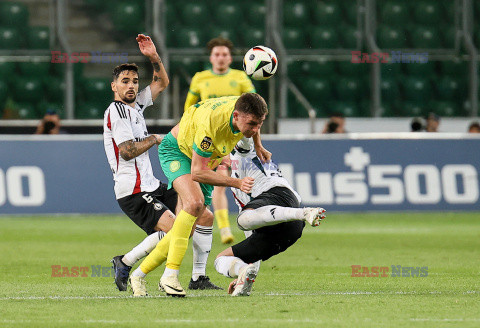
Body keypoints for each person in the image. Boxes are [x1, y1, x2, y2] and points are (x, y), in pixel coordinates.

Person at [103, 34, 219, 296]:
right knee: (175, 228)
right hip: (132, 190)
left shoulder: (136, 106)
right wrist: (155, 138)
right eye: (125, 82)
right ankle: (127, 262)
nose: (131, 85)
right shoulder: (117, 111)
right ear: (114, 86)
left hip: (152, 184)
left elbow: (162, 82)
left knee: (201, 214)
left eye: (134, 81)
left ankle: (198, 277)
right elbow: (127, 151)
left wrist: (154, 57)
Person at [130, 93, 271, 297]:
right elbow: (197, 173)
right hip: (178, 152)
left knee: (189, 226)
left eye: (260, 124)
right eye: (252, 124)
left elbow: (254, 119)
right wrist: (236, 182)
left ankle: (138, 274)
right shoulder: (211, 126)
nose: (256, 128)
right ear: (237, 116)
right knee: (194, 204)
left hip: (207, 158)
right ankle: (169, 276)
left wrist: (258, 145)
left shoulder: (244, 109)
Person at [214, 138, 326, 296]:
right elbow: (254, 246)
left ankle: (303, 212)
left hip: (279, 196)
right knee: (220, 259)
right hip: (285, 229)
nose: (215, 160)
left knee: (242, 219)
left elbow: (247, 126)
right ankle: (241, 272)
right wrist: (244, 276)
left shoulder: (241, 150)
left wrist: (257, 142)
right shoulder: (241, 194)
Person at [184, 37, 256, 245]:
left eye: (224, 54)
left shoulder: (240, 77)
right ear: (211, 57)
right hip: (205, 137)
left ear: (230, 57)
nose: (221, 58)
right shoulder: (200, 78)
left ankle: (224, 228)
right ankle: (220, 226)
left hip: (230, 140)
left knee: (221, 183)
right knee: (209, 182)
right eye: (217, 54)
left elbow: (255, 105)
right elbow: (189, 108)